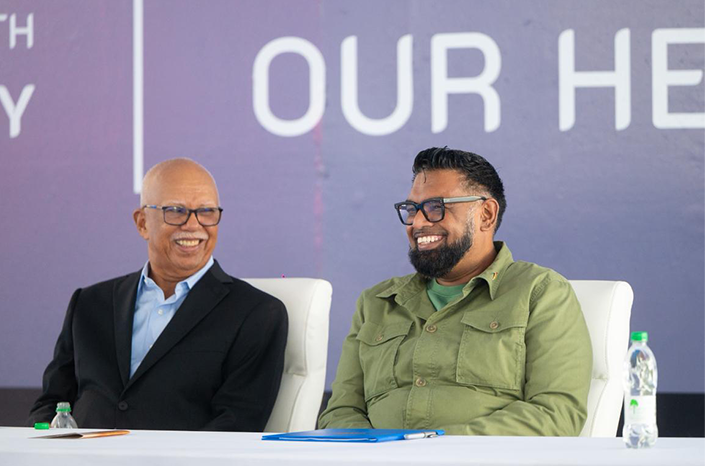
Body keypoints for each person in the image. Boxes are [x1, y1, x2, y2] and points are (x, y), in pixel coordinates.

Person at [319, 147, 592, 435]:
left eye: (436, 207)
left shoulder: (540, 293)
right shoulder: (377, 302)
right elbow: (341, 412)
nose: (419, 223)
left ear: (486, 214)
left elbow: (556, 414)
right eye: (412, 210)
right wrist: (379, 459)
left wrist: (435, 449)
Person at [29, 158, 288, 431]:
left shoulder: (257, 313)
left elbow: (235, 426)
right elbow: (51, 405)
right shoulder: (90, 304)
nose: (193, 225)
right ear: (142, 223)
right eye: (176, 211)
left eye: (207, 211)